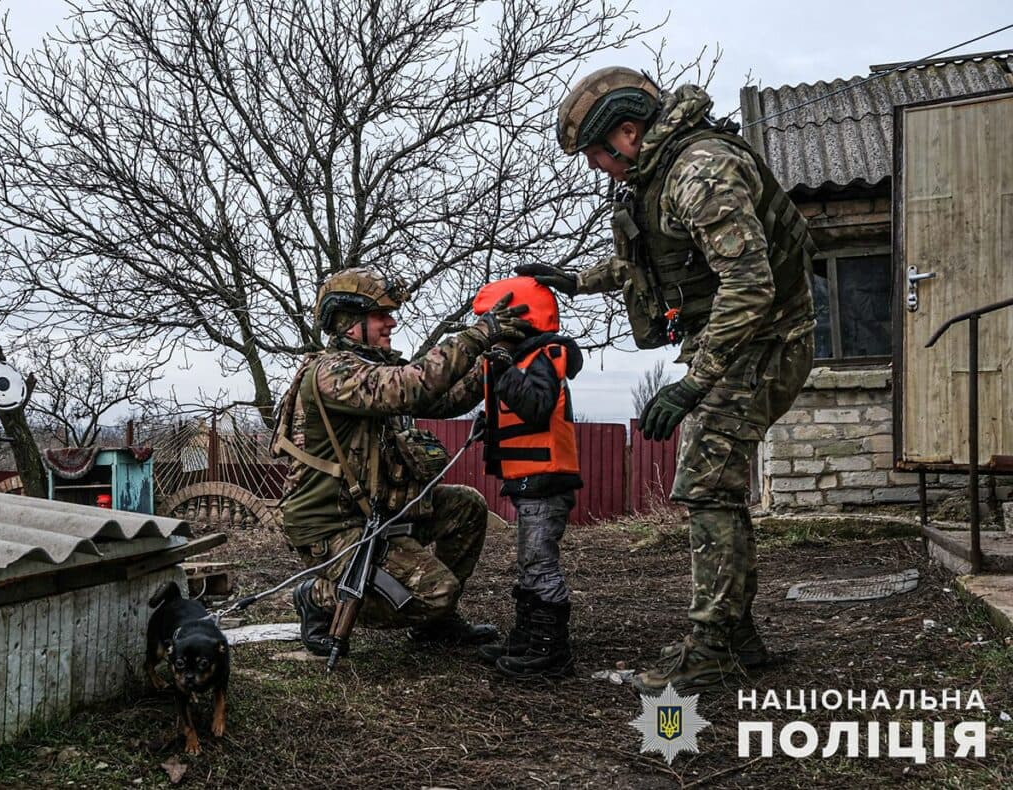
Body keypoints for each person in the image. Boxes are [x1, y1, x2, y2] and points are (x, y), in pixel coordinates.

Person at [519, 67, 816, 695]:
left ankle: (710, 646)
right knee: (717, 482)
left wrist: (692, 383)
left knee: (705, 478)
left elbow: (750, 285)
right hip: (738, 341)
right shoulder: (660, 176)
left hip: (768, 339)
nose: (599, 167)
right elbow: (653, 261)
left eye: (598, 155)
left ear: (628, 133)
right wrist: (576, 282)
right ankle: (737, 637)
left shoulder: (699, 171)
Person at [273, 267, 532, 657]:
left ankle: (435, 626)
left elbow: (441, 398)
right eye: (381, 315)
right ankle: (319, 597)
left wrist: (492, 363)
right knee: (435, 592)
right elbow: (411, 386)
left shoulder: (370, 368)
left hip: (376, 510)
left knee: (465, 506)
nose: (391, 322)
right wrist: (479, 333)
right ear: (349, 320)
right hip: (332, 524)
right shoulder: (332, 372)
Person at [471, 277, 583, 679]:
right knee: (528, 562)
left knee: (539, 563)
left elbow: (536, 406)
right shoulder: (523, 362)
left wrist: (502, 372)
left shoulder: (540, 358)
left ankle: (551, 651)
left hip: (546, 480)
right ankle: (526, 637)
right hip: (528, 479)